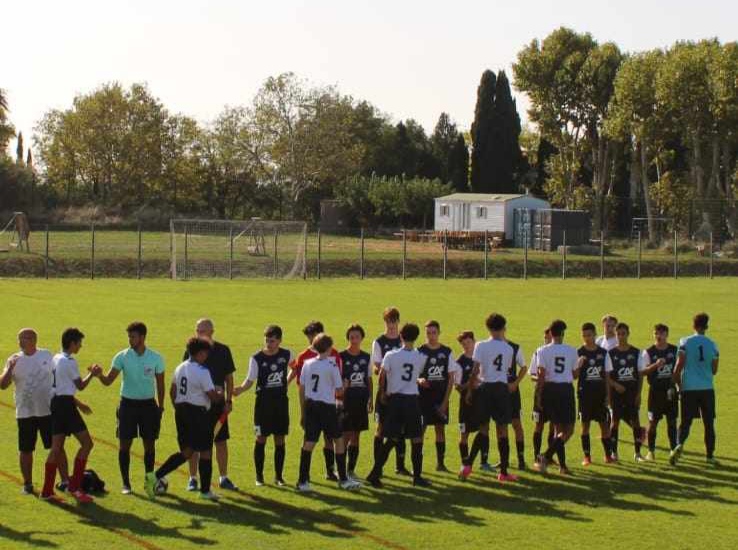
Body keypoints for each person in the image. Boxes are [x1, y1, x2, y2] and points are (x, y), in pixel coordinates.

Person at [95, 322, 165, 494]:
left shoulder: (156, 358)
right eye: (129, 337)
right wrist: (98, 375)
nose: (130, 340)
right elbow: (108, 381)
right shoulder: (122, 356)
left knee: (149, 445)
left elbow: (161, 384)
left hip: (149, 406)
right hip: (127, 405)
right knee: (124, 445)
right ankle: (126, 484)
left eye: (132, 336)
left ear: (142, 337)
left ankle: (149, 482)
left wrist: (161, 407)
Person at [150, 337, 222, 500]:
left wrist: (179, 409)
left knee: (187, 451)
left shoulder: (180, 367)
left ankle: (155, 476)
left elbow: (172, 391)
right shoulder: (203, 371)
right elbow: (212, 396)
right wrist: (219, 393)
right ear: (201, 353)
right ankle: (205, 491)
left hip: (181, 412)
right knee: (205, 451)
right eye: (206, 353)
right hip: (198, 413)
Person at [1, 328, 70, 495]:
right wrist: (10, 368)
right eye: (19, 339)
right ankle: (28, 484)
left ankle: (65, 481)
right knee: (25, 449)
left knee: (57, 447)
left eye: (23, 338)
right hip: (25, 412)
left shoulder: (46, 355)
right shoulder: (13, 359)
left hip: (47, 411)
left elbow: (58, 377)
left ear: (33, 340)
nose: (20, 342)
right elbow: (3, 385)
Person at [366, 323, 430, 488]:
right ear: (416, 338)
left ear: (401, 336)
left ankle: (375, 473)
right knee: (416, 439)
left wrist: (383, 392)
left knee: (391, 438)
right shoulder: (420, 357)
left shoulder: (391, 355)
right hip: (411, 400)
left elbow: (382, 375)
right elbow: (414, 376)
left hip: (395, 400)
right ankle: (417, 477)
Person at [297, 333, 361, 492]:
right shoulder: (332, 366)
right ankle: (343, 479)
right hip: (327, 407)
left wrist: (304, 410)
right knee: (338, 440)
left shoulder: (307, 363)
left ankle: (302, 481)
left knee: (309, 443)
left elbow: (302, 387)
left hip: (311, 406)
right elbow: (339, 391)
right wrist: (345, 385)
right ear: (328, 348)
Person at [459, 313, 518, 483]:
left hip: (484, 389)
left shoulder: (481, 345)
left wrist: (470, 391)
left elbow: (475, 370)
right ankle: (504, 472)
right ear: (503, 327)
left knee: (483, 429)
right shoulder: (508, 349)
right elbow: (505, 370)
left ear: (488, 327)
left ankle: (468, 464)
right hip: (500, 388)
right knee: (502, 430)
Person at [41, 328, 98, 503]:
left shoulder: (56, 358)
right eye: (79, 343)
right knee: (87, 444)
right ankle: (74, 487)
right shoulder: (69, 362)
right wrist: (93, 374)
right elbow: (80, 385)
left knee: (56, 448)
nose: (80, 346)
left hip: (56, 404)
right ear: (72, 343)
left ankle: (47, 491)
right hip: (66, 406)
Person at [183, 319, 237, 492]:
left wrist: (228, 401)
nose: (199, 333)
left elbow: (229, 378)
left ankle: (223, 477)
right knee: (195, 443)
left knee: (220, 441)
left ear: (212, 331)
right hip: (197, 405)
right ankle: (193, 478)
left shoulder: (223, 350)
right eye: (197, 330)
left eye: (202, 330)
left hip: (217, 405)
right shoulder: (191, 351)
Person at [234, 325, 291, 486]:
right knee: (261, 438)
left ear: (279, 340)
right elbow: (250, 380)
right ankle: (259, 477)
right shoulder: (256, 358)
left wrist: (288, 379)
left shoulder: (286, 354)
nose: (269, 343)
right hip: (263, 403)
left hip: (280, 402)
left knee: (280, 439)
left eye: (272, 341)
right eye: (266, 340)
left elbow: (296, 367)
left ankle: (279, 477)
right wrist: (240, 389)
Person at [288, 320, 343, 481]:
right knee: (326, 439)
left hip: (318, 405)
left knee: (323, 440)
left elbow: (302, 387)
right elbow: (338, 386)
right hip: (323, 405)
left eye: (310, 337)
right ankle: (340, 476)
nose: (309, 341)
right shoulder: (307, 357)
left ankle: (327, 472)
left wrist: (304, 410)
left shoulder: (312, 360)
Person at [670, 313, 719, 466]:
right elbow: (714, 369)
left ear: (693, 326)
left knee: (685, 422)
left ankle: (679, 445)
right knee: (708, 423)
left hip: (688, 388)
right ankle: (710, 457)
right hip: (706, 389)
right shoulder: (712, 344)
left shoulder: (685, 342)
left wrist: (678, 385)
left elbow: (678, 366)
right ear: (706, 326)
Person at [534, 320, 578, 475]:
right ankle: (548, 457)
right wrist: (582, 364)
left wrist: (539, 395)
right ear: (563, 333)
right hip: (565, 390)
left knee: (558, 430)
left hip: (549, 390)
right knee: (569, 430)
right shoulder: (572, 350)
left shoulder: (542, 350)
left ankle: (559, 465)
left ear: (550, 333)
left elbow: (541, 375)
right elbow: (574, 375)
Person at [370, 307, 409, 476]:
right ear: (384, 321)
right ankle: (378, 466)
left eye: (394, 321)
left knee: (401, 428)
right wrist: (384, 370)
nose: (391, 325)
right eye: (388, 321)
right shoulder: (379, 341)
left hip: (401, 391)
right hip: (384, 392)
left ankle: (400, 466)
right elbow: (376, 366)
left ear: (398, 321)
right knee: (380, 428)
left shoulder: (404, 340)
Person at [418, 320, 458, 472]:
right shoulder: (420, 351)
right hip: (423, 398)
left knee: (440, 430)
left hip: (440, 398)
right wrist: (419, 380)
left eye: (434, 332)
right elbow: (414, 374)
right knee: (421, 431)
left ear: (439, 333)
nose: (431, 336)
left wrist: (445, 402)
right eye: (428, 333)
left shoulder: (447, 352)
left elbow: (451, 378)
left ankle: (440, 464)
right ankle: (418, 465)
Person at [575, 323, 614, 465]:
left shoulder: (603, 353)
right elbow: (574, 376)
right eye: (584, 335)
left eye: (589, 335)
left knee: (604, 425)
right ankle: (587, 457)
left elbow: (607, 376)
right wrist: (578, 365)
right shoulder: (578, 352)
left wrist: (608, 396)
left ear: (595, 334)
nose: (586, 338)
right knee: (585, 426)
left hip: (600, 394)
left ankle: (608, 455)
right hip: (584, 395)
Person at [607, 323, 646, 463]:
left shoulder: (636, 352)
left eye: (624, 333)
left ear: (628, 333)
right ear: (616, 335)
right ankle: (614, 453)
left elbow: (640, 374)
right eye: (619, 334)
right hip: (616, 394)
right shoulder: (610, 354)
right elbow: (606, 376)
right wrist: (614, 386)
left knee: (635, 422)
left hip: (631, 393)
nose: (621, 336)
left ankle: (637, 453)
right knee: (614, 422)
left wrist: (639, 394)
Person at [641, 324, 679, 461]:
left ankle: (673, 450)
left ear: (667, 334)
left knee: (672, 422)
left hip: (671, 391)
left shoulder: (675, 350)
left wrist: (678, 388)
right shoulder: (648, 352)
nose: (659, 336)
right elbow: (643, 372)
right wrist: (656, 365)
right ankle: (651, 451)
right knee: (652, 423)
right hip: (655, 393)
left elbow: (679, 370)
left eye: (661, 334)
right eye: (656, 333)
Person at [339, 324, 372, 480]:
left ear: (361, 338)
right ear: (348, 338)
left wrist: (370, 398)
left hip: (361, 400)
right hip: (346, 401)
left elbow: (369, 379)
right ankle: (341, 471)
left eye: (357, 337)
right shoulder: (341, 357)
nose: (354, 340)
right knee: (345, 435)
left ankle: (351, 470)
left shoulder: (366, 357)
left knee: (356, 436)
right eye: (351, 337)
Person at [530, 327, 555, 469]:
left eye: (550, 338)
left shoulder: (558, 352)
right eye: (546, 338)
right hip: (540, 392)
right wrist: (540, 378)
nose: (547, 340)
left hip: (554, 393)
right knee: (539, 424)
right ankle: (536, 455)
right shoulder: (538, 352)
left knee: (553, 425)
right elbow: (532, 374)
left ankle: (549, 456)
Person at [455, 331, 480, 466]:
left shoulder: (481, 359)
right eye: (463, 344)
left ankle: (483, 461)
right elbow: (457, 388)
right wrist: (470, 383)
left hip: (481, 400)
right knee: (464, 434)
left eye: (468, 343)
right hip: (466, 402)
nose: (466, 346)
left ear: (474, 341)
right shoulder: (459, 362)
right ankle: (465, 463)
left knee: (484, 430)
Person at [504, 334, 527, 470]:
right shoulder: (491, 347)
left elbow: (524, 367)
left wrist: (515, 383)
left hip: (512, 392)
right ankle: (504, 460)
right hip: (498, 392)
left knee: (516, 424)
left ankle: (521, 459)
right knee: (501, 426)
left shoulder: (514, 347)